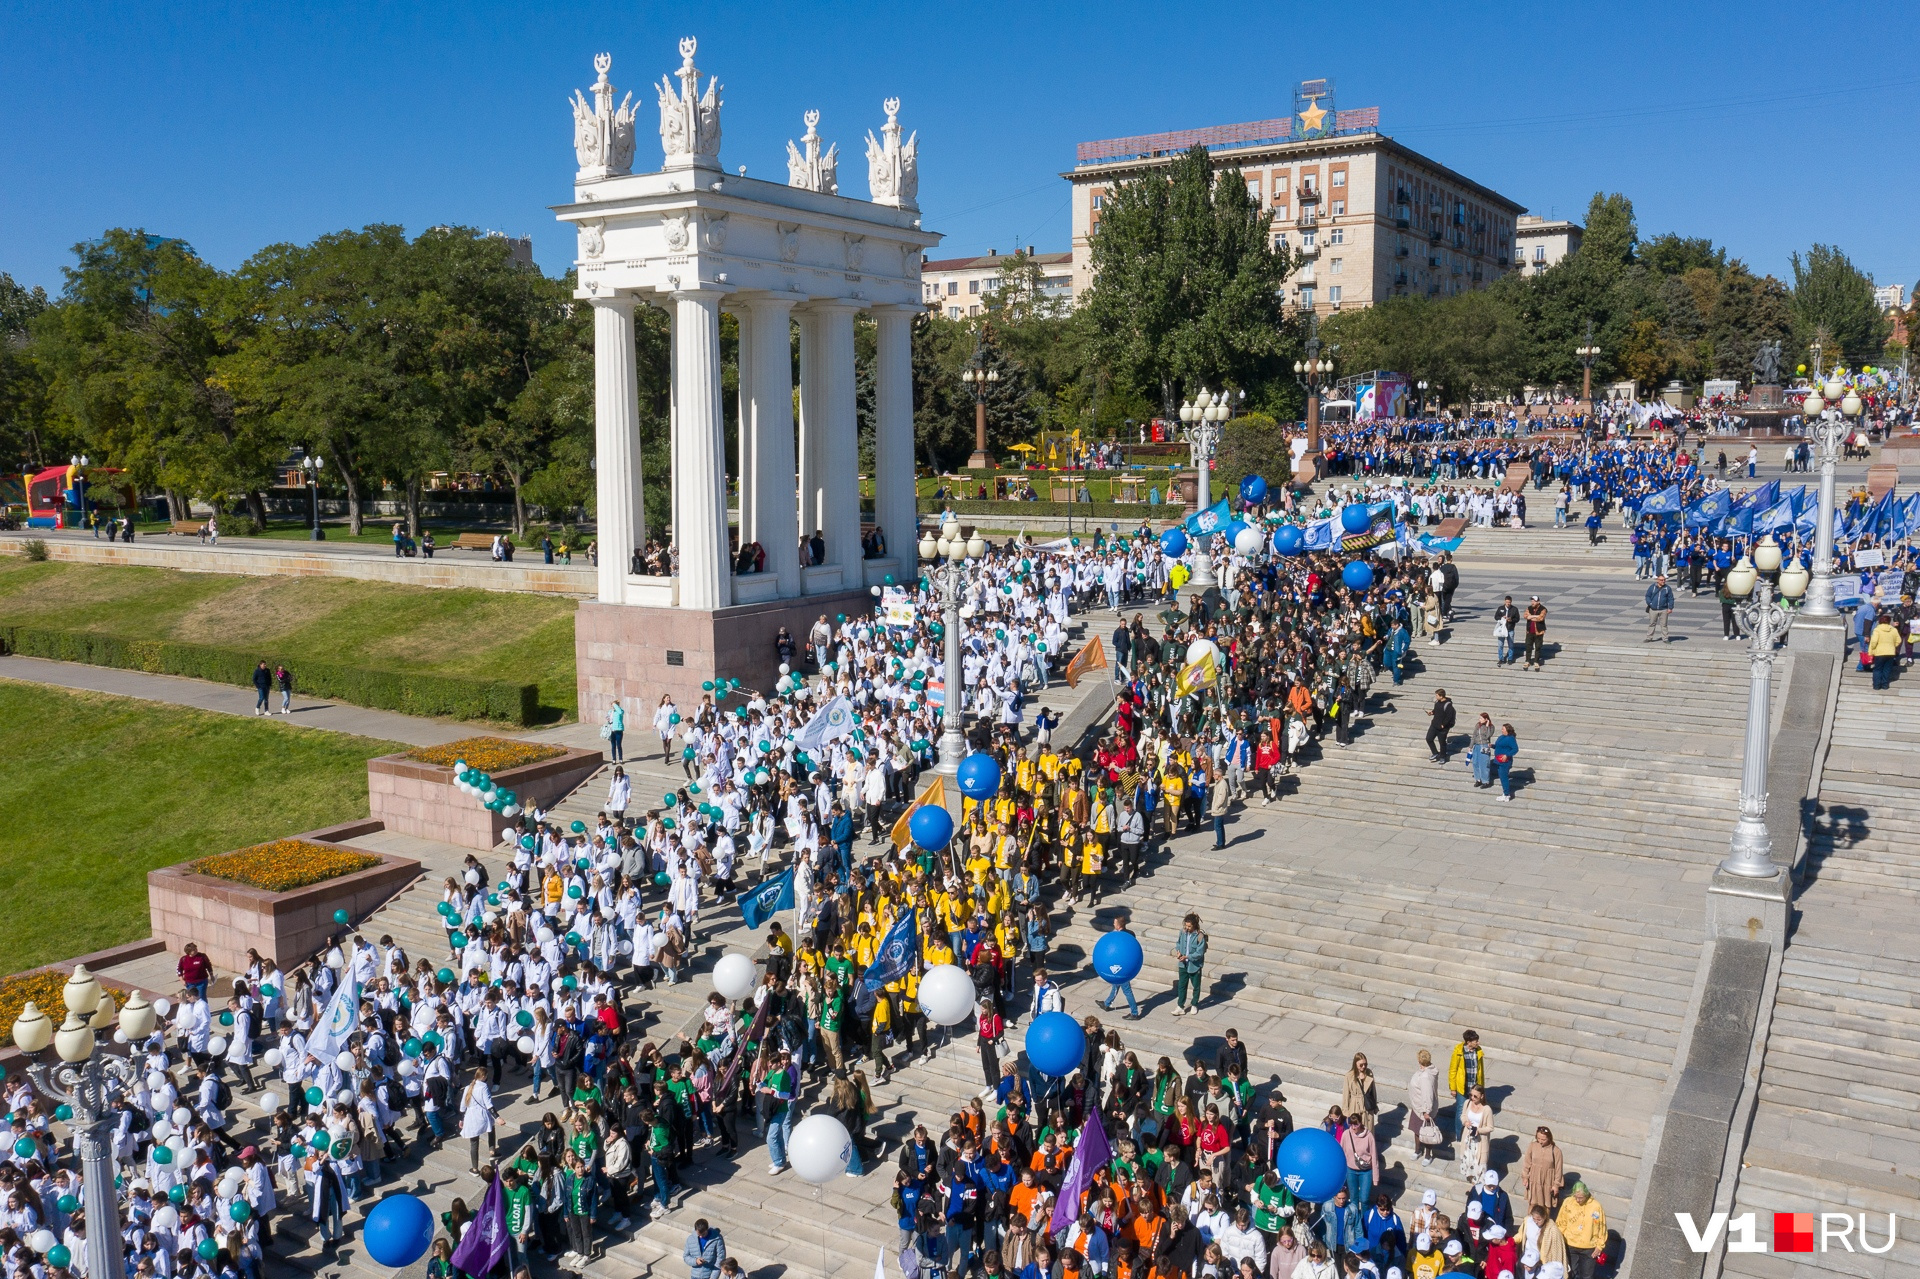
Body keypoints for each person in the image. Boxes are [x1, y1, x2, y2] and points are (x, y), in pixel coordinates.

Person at [1554, 1183, 1606, 1279]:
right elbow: (1561, 1222)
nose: (1578, 1200)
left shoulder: (1596, 1207)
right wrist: (1558, 1238)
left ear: (1586, 1195)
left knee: (1587, 1276)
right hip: (1570, 1245)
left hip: (1589, 1247)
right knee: (1569, 1273)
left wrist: (1600, 1245)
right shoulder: (1568, 1202)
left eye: (1581, 1198)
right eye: (1576, 1197)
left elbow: (1601, 1227)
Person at [1098, 915, 1142, 1020]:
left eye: (1114, 923)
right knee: (1115, 984)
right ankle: (1107, 1003)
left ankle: (1134, 1013)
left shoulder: (1118, 937)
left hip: (1122, 967)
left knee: (1126, 990)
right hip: (1126, 966)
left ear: (1118, 925)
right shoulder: (1131, 934)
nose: (1113, 924)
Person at [1522, 1126, 1566, 1215]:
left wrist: (1556, 1185)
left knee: (1546, 1206)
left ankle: (1544, 1226)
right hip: (1534, 1179)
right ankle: (1528, 1225)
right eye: (1538, 1138)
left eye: (1543, 1139)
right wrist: (1525, 1177)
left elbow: (1558, 1169)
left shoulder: (1556, 1151)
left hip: (1547, 1181)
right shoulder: (1533, 1146)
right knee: (1532, 1203)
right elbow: (1527, 1162)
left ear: (1549, 1138)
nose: (1540, 1141)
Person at [1408, 1048, 1441, 1166]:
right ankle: (1417, 1150)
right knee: (1417, 1131)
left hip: (1423, 1110)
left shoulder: (1425, 1076)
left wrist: (1426, 1111)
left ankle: (1427, 1155)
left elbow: (1427, 1095)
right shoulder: (1425, 1071)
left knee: (1427, 1134)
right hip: (1418, 1107)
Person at [1171, 913, 1208, 1015]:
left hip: (1194, 965)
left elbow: (1199, 953)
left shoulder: (1200, 936)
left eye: (1189, 926)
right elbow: (1178, 943)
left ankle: (1194, 1004)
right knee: (1182, 985)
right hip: (1183, 964)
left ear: (1194, 925)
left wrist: (1188, 957)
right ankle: (1180, 1006)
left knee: (1196, 986)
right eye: (1186, 926)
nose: (1187, 928)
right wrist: (1178, 951)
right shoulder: (1182, 932)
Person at [1870, 613, 1902, 690]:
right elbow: (1899, 640)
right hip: (1890, 652)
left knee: (1877, 669)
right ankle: (1885, 685)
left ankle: (1876, 686)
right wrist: (1893, 645)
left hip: (1880, 652)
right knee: (1887, 669)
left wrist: (1873, 648)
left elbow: (1874, 641)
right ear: (1889, 621)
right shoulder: (1893, 630)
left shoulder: (1877, 630)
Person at [1425, 688, 1455, 764]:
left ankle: (1442, 757)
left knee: (1442, 743)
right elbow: (1436, 710)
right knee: (1429, 738)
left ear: (1441, 696)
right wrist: (1432, 712)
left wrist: (1443, 724)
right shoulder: (1437, 702)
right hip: (1434, 724)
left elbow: (1449, 716)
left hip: (1442, 728)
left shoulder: (1448, 705)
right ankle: (1435, 753)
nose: (1436, 697)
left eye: (1437, 695)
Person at [1492, 723, 1519, 802]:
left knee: (1504, 777)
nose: (1501, 730)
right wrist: (1492, 746)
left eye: (1503, 729)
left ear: (1507, 730)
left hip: (1505, 761)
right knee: (1502, 777)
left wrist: (1507, 755)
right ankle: (1505, 793)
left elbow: (1515, 749)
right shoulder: (1501, 737)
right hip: (1498, 760)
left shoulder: (1510, 738)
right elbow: (1498, 746)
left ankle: (1506, 794)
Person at [1644, 574, 1675, 643]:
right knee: (1652, 623)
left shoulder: (1667, 588)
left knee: (1664, 625)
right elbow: (1647, 596)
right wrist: (1650, 604)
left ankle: (1665, 638)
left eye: (1664, 580)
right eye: (1661, 580)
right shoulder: (1652, 587)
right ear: (1658, 580)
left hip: (1663, 609)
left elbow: (1671, 598)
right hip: (1653, 609)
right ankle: (1649, 637)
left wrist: (1670, 608)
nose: (1663, 581)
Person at [1521, 597, 1548, 671]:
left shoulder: (1543, 609)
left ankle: (1536, 661)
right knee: (1528, 646)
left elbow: (1541, 618)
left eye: (1534, 601)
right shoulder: (1529, 608)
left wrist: (1531, 617)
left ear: (1538, 602)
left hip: (1539, 632)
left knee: (1538, 647)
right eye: (1531, 601)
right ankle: (1527, 661)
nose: (1532, 602)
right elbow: (1526, 616)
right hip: (1529, 631)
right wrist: (1535, 616)